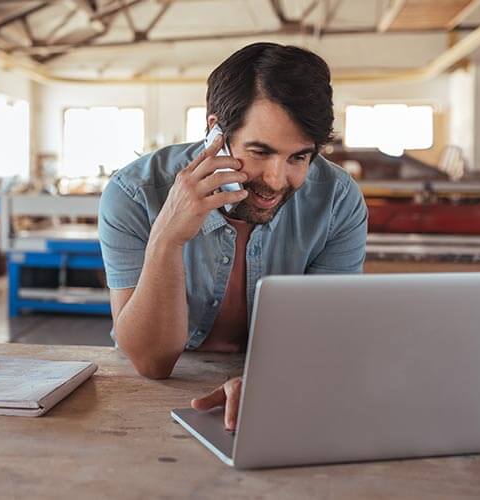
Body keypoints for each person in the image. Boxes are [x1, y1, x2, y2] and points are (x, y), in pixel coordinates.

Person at [98, 42, 367, 430]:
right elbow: (151, 362)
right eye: (259, 152)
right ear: (215, 132)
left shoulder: (337, 200)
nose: (276, 179)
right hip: (150, 398)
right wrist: (167, 239)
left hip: (279, 391)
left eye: (299, 157)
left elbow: (323, 341)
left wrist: (269, 381)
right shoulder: (135, 193)